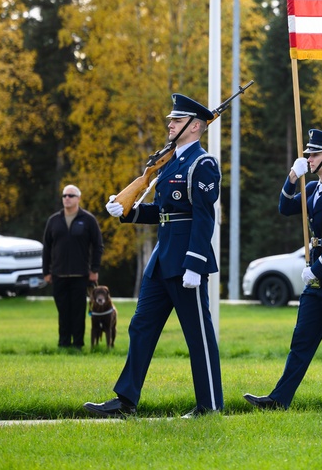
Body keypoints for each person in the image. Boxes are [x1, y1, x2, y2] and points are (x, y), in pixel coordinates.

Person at [84, 93, 223, 419]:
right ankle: (125, 401)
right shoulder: (171, 161)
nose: (170, 124)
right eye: (171, 120)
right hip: (161, 262)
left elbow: (204, 218)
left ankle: (210, 405)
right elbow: (163, 212)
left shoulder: (202, 165)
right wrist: (127, 212)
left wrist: (194, 264)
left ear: (195, 127)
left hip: (185, 263)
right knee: (140, 327)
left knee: (198, 337)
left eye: (177, 120)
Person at [244, 129, 322, 410]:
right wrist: (292, 177)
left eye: (314, 154)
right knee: (301, 342)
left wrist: (318, 269)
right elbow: (285, 207)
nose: (309, 158)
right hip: (316, 281)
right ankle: (279, 400)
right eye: (308, 155)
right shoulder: (313, 189)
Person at [41, 184, 104, 350]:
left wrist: (94, 269)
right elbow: (47, 247)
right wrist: (46, 272)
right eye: (64, 196)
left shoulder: (88, 219)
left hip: (80, 274)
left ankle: (77, 344)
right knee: (63, 311)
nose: (67, 199)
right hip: (58, 274)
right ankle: (63, 343)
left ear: (78, 198)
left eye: (70, 195)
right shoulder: (54, 220)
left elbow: (98, 245)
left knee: (78, 312)